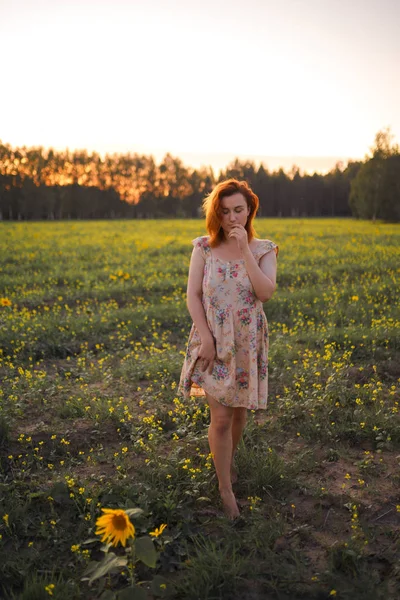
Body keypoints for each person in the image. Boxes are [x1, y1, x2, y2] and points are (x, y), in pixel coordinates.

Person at [178, 178, 279, 519]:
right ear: (216, 215)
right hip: (213, 340)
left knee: (239, 413)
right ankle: (225, 489)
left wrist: (245, 250)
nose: (232, 218)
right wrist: (206, 338)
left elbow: (264, 293)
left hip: (247, 341)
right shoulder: (203, 248)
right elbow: (193, 295)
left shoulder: (265, 249)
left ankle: (228, 462)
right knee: (220, 418)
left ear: (250, 210)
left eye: (239, 210)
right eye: (225, 212)